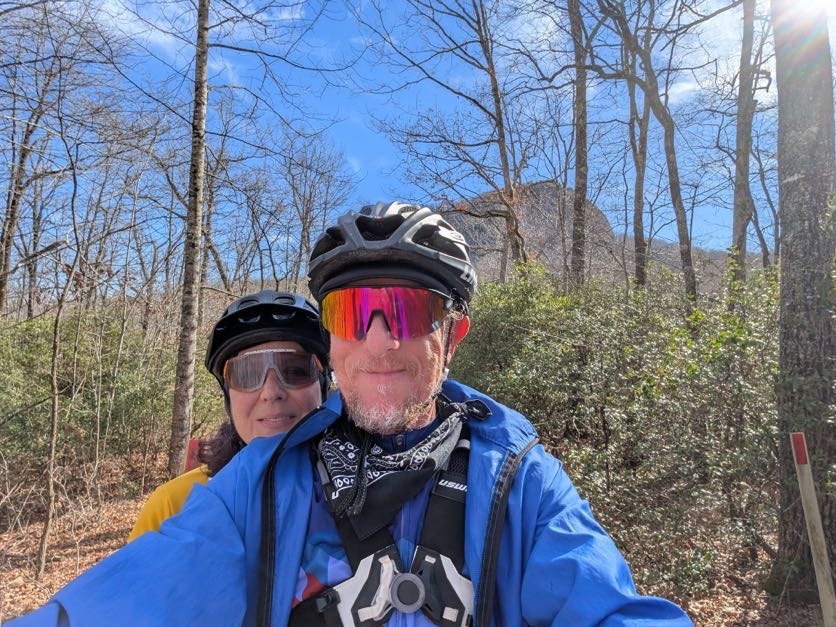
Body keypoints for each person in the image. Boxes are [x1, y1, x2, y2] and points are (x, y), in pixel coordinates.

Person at [10, 202, 692, 626]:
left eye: (407, 311)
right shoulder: (260, 484)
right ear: (331, 339)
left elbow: (609, 609)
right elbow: (133, 598)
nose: (378, 342)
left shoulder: (522, 484)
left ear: (452, 335)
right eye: (351, 312)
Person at [128, 289, 328, 541]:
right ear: (228, 396)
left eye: (296, 371)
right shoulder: (174, 506)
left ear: (323, 386)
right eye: (246, 375)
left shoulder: (363, 495)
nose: (271, 392)